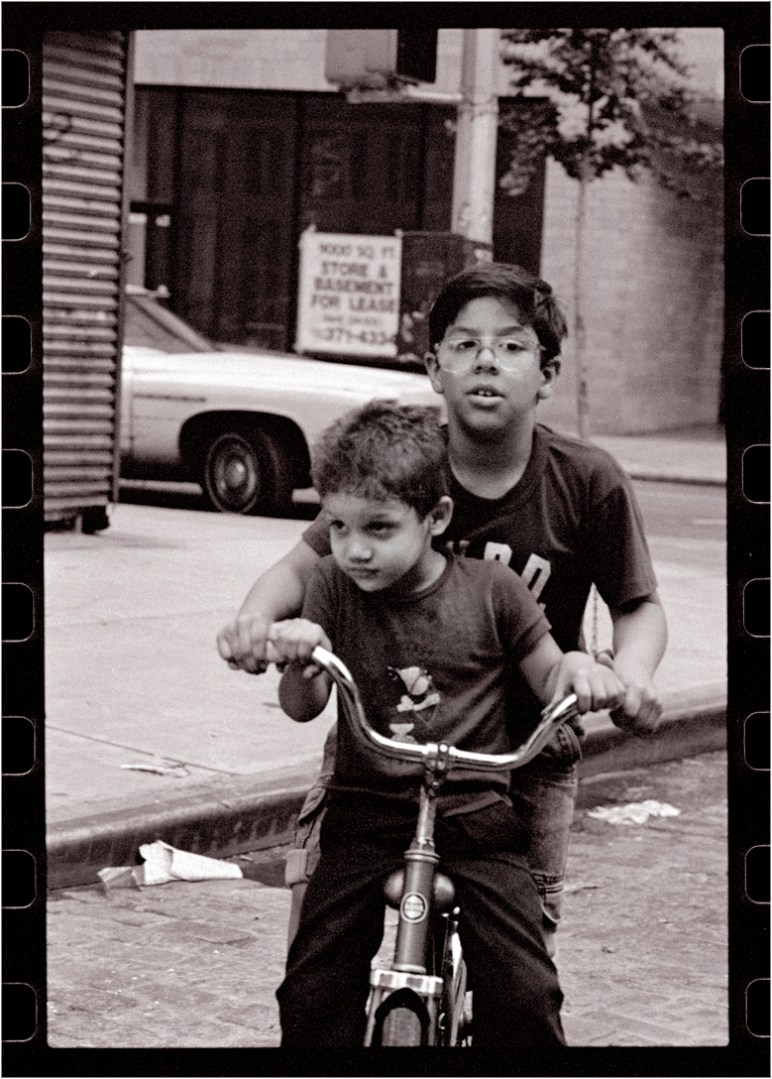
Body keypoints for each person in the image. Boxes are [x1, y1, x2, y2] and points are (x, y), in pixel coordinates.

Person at [216, 262, 667, 954]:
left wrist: (629, 676)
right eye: (465, 344)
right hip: (388, 736)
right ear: (434, 367)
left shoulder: (587, 480)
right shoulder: (402, 467)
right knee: (317, 921)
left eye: (512, 346)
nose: (487, 360)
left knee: (520, 949)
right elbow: (301, 567)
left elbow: (638, 604)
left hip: (526, 745)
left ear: (546, 373)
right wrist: (258, 622)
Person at [265, 400, 625, 1047]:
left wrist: (580, 672)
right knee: (311, 988)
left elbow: (548, 677)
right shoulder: (330, 585)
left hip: (476, 813)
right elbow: (302, 703)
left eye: (378, 527)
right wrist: (299, 651)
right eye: (339, 526)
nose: (354, 548)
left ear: (436, 518)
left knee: (527, 993)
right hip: (367, 809)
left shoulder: (494, 591)